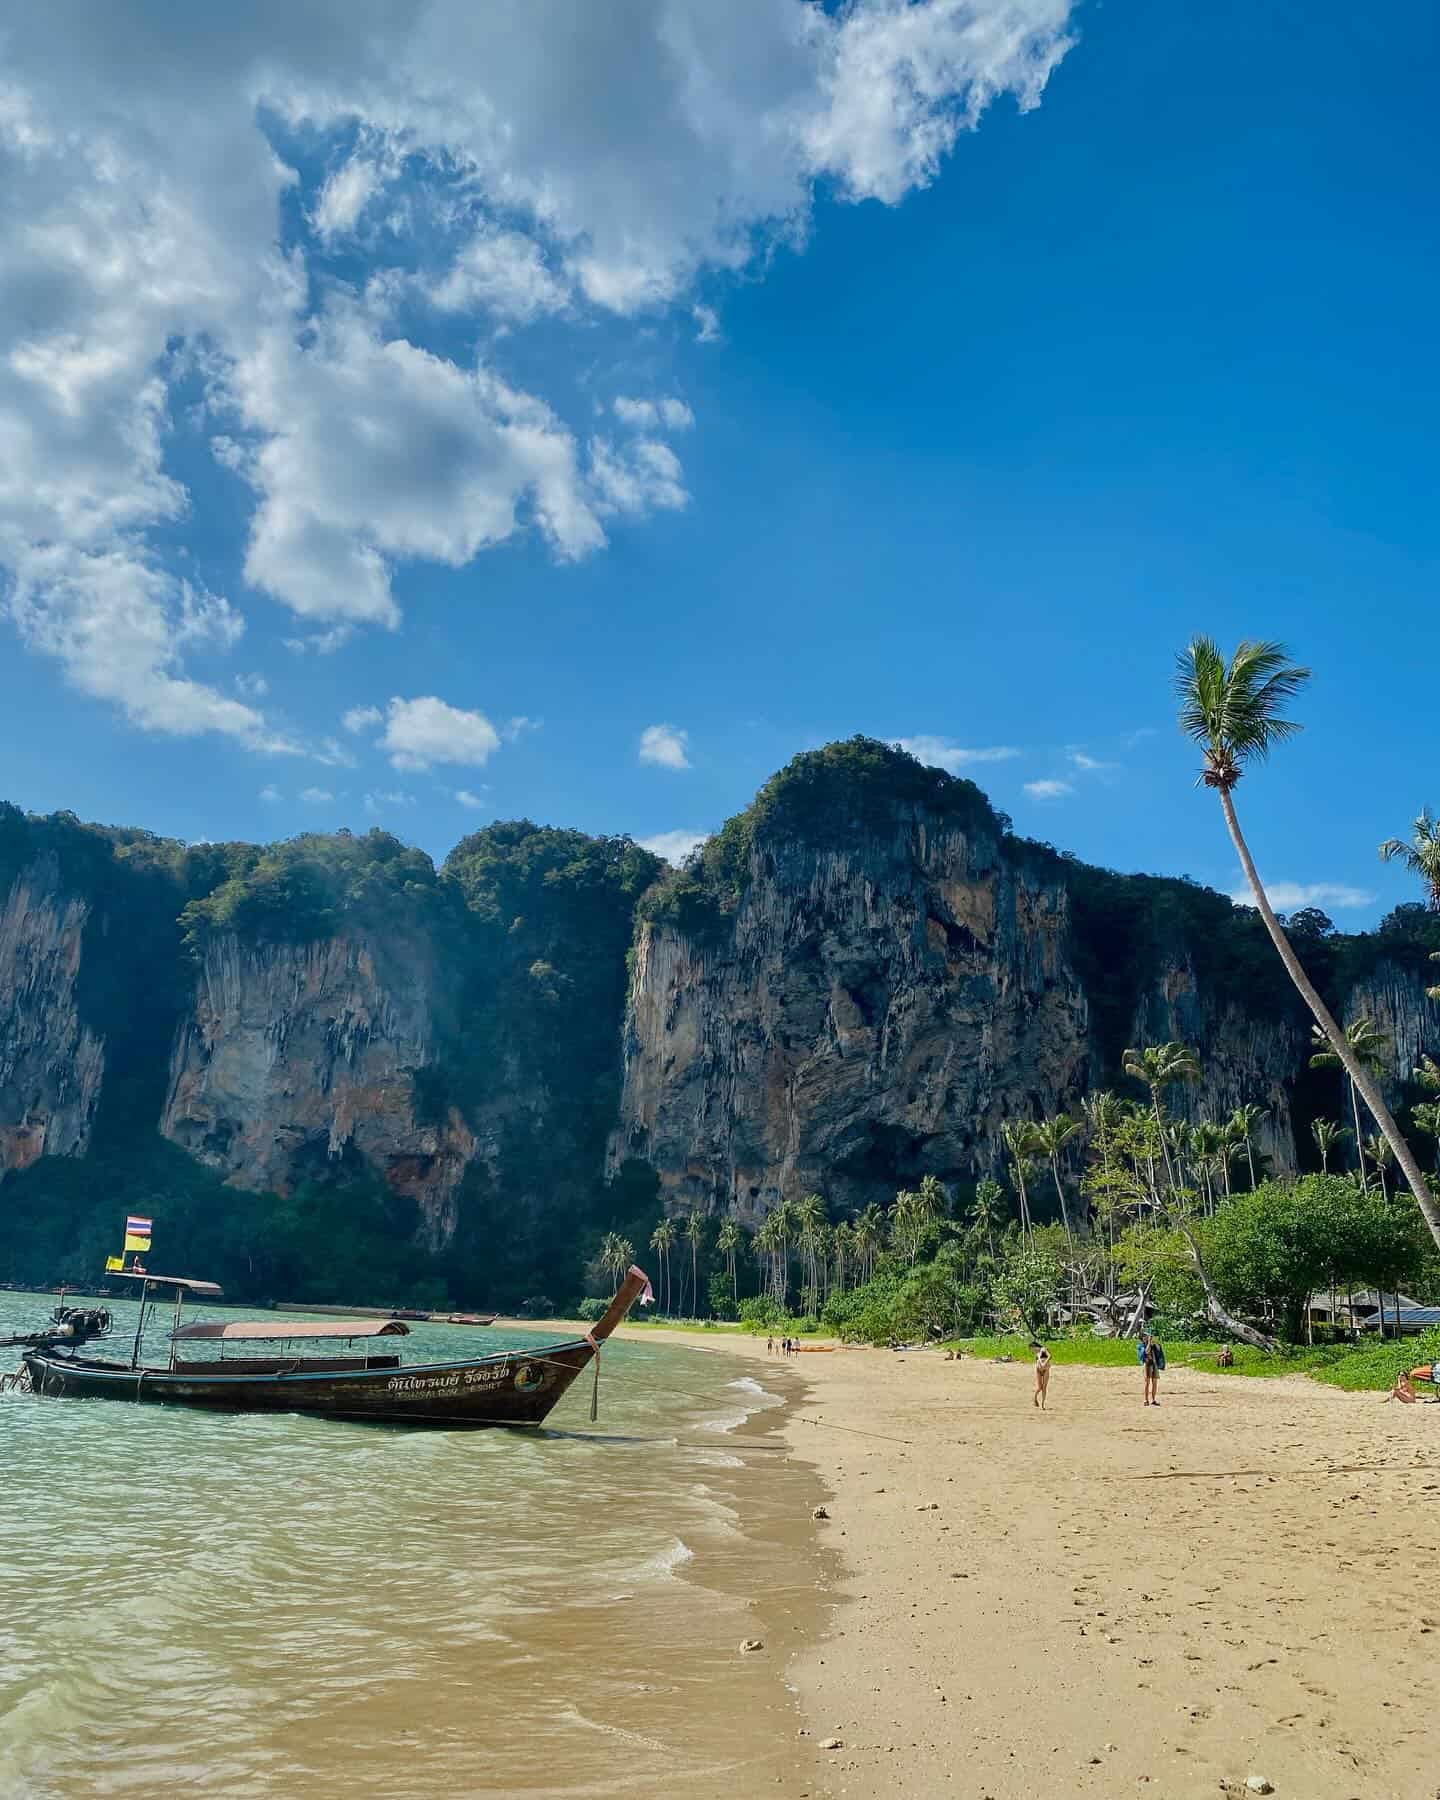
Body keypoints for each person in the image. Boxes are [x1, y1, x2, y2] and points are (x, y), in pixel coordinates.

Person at [1139, 1330, 1165, 1405]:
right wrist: (1149, 1343)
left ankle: (1153, 1400)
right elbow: (1146, 1352)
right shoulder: (1140, 1346)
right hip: (1147, 1364)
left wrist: (1155, 1342)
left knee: (1154, 1382)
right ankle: (1146, 1400)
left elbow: (1159, 1349)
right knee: (1147, 1382)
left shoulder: (1153, 1345)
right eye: (1145, 1337)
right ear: (1142, 1338)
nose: (1147, 1338)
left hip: (1154, 1364)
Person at [1031, 1341, 1052, 1410]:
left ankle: (1043, 1404)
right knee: (1039, 1387)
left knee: (1044, 1387)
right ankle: (1035, 1398)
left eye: (1032, 1348)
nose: (1032, 1350)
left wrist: (1045, 1363)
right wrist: (1040, 1363)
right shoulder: (1037, 1353)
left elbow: (1049, 1356)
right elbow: (1039, 1360)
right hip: (1038, 1370)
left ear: (1034, 1346)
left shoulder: (1043, 1349)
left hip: (1046, 1369)